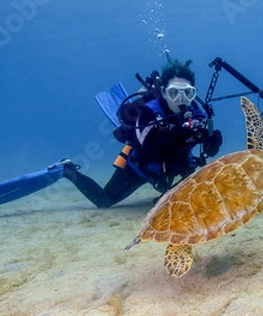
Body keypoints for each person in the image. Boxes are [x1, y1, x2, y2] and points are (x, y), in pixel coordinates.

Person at [61, 60, 223, 208]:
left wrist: (212, 143)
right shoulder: (147, 112)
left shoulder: (198, 113)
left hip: (175, 166)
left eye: (187, 93)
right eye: (174, 93)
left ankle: (165, 195)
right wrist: (177, 134)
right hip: (140, 168)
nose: (181, 99)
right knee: (104, 201)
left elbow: (206, 152)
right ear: (164, 93)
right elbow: (146, 152)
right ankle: (67, 170)